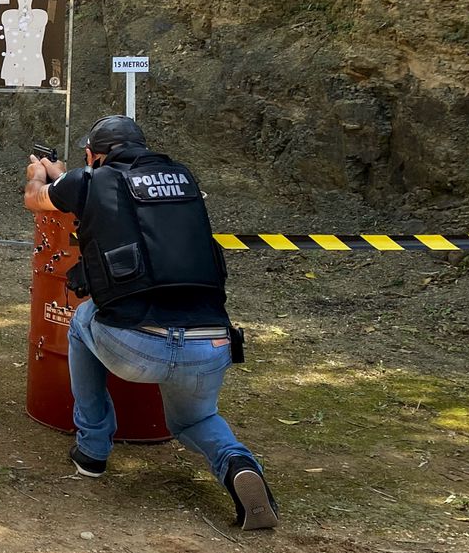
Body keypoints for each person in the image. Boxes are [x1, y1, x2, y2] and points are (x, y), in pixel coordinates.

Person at [23, 115, 278, 530]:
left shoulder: (89, 182)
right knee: (195, 420)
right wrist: (65, 175)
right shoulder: (183, 178)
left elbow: (38, 198)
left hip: (138, 344)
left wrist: (38, 175)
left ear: (93, 155)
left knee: (82, 320)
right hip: (211, 340)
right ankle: (238, 465)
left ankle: (92, 451)